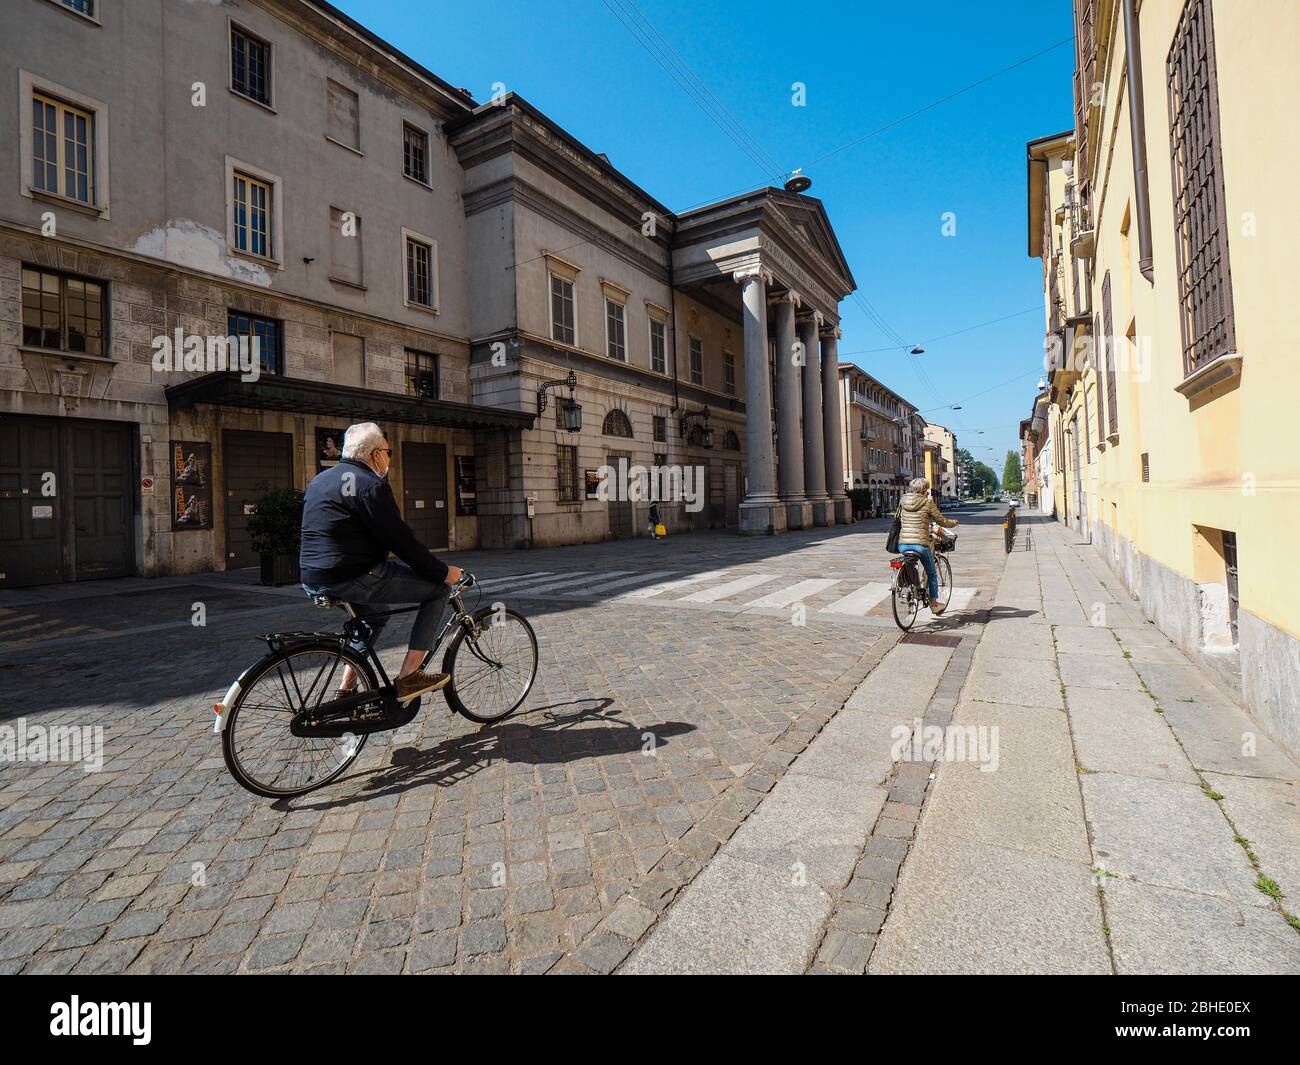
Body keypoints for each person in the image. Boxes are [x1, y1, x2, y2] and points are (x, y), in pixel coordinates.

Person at [299, 422, 463, 702]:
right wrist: (442, 572)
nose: (388, 459)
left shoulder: (320, 480)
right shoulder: (370, 485)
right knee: (437, 591)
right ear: (376, 454)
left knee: (375, 617)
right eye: (388, 452)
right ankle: (409, 677)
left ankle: (346, 689)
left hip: (313, 576)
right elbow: (402, 542)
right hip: (355, 575)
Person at [897, 476, 959, 614]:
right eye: (927, 489)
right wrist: (953, 523)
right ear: (924, 490)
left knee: (910, 562)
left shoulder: (902, 500)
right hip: (920, 544)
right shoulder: (927, 503)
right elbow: (941, 521)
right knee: (931, 573)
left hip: (903, 544)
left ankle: (915, 588)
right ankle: (935, 604)